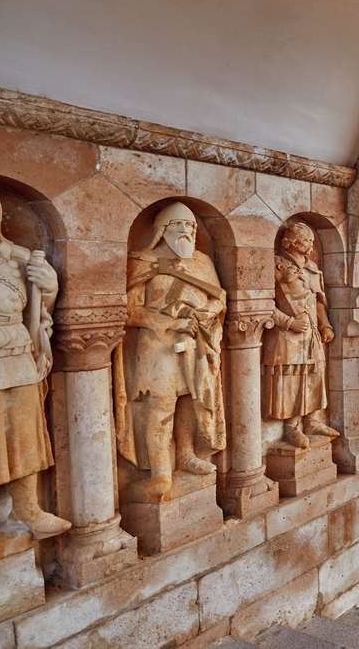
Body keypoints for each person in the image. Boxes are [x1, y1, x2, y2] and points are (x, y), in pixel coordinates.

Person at [117, 202, 226, 503]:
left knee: (192, 399)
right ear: (162, 230)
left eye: (190, 226)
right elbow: (128, 310)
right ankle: (161, 471)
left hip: (197, 342)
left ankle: (186, 454)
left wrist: (207, 312)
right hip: (158, 346)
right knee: (162, 404)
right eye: (177, 225)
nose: (186, 231)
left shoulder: (202, 261)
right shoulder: (143, 261)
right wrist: (168, 322)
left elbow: (219, 298)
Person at [0, 190, 70, 544]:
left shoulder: (19, 258)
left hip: (17, 353)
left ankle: (29, 509)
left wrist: (49, 286)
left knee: (24, 431)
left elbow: (40, 311)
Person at [263, 222, 338, 448]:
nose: (311, 245)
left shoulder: (312, 266)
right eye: (307, 241)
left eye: (313, 241)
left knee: (315, 374)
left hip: (311, 332)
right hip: (287, 335)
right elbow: (261, 304)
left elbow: (317, 300)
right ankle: (292, 427)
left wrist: (325, 325)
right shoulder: (276, 264)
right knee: (292, 379)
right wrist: (289, 323)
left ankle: (312, 420)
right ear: (292, 242)